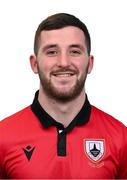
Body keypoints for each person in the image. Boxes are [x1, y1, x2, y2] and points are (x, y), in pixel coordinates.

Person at [0, 13, 127, 179]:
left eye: (74, 51)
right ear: (34, 63)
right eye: (52, 52)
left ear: (90, 63)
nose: (64, 62)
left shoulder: (120, 138)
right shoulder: (3, 136)